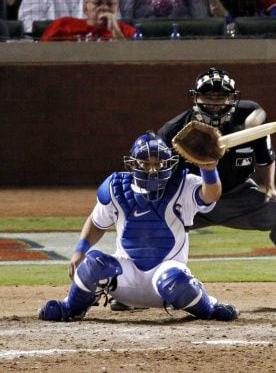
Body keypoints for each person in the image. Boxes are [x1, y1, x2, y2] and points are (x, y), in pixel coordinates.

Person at [156, 68, 276, 310]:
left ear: (232, 99)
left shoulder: (248, 119)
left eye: (222, 97)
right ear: (195, 98)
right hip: (190, 200)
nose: (215, 104)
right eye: (208, 97)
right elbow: (159, 177)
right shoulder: (174, 131)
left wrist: (270, 188)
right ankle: (131, 289)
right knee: (149, 222)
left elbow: (266, 158)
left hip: (238, 195)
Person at [38, 132, 239, 323]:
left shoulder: (183, 185)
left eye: (158, 163)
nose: (152, 170)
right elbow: (96, 222)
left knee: (175, 279)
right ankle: (72, 308)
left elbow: (210, 195)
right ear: (133, 164)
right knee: (93, 263)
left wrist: (209, 169)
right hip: (124, 276)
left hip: (166, 276)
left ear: (168, 164)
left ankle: (209, 307)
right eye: (145, 163)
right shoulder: (115, 188)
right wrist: (79, 251)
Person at [40, 0, 135, 42]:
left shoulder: (127, 31)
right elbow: (40, 54)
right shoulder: (62, 24)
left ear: (117, 8)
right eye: (98, 3)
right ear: (85, 8)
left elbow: (133, 60)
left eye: (110, 4)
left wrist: (115, 30)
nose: (105, 7)